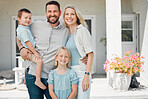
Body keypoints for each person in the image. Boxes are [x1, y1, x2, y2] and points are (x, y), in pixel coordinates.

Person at [16, 1, 69, 99]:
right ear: (46, 13)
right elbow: (19, 36)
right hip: (32, 75)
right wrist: (21, 48)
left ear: (60, 13)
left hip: (52, 77)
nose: (52, 14)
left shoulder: (66, 30)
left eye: (55, 11)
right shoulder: (35, 25)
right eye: (49, 11)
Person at [63, 5, 94, 99]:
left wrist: (86, 75)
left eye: (72, 14)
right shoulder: (67, 32)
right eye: (67, 14)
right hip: (69, 72)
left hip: (81, 72)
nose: (69, 16)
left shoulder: (82, 31)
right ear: (64, 17)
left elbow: (91, 54)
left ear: (77, 16)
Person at [16, 8, 46, 90]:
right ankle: (38, 80)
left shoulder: (25, 28)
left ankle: (26, 79)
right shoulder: (22, 30)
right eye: (25, 18)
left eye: (29, 18)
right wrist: (35, 52)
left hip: (29, 51)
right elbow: (27, 42)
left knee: (30, 65)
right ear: (19, 18)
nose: (28, 20)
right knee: (39, 61)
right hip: (29, 52)